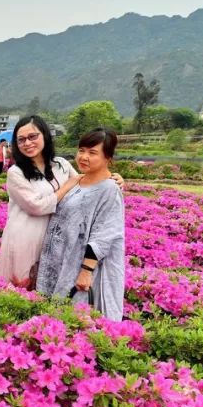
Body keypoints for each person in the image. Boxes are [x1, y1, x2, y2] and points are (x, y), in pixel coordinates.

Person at [37, 128, 126, 321]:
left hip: (81, 268)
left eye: (92, 153)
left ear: (108, 158)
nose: (84, 157)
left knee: (77, 322)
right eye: (81, 150)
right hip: (59, 261)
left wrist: (86, 272)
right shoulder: (77, 180)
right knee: (54, 322)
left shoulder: (110, 189)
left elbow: (104, 235)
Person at [0, 116, 81, 289]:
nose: (27, 143)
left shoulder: (61, 164)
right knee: (21, 289)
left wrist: (110, 179)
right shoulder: (16, 172)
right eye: (21, 140)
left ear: (45, 136)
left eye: (33, 136)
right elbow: (36, 206)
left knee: (47, 292)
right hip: (25, 238)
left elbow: (84, 186)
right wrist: (67, 186)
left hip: (55, 238)